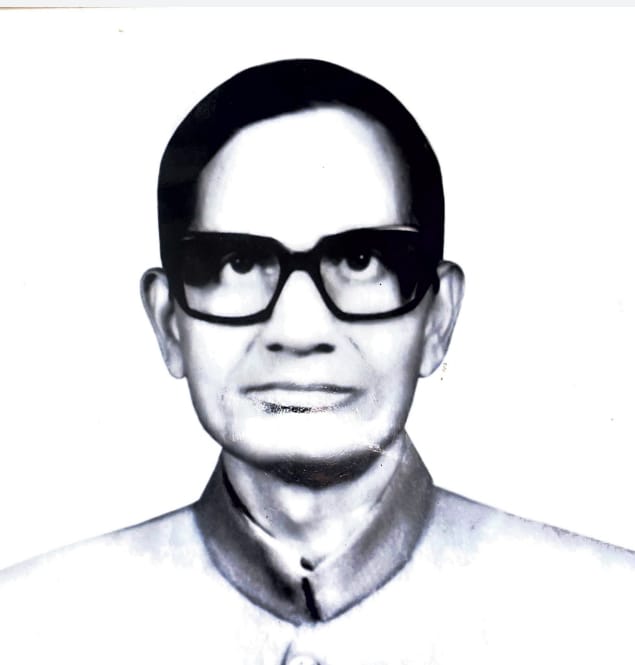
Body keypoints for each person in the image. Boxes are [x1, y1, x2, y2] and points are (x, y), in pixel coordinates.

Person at [1, 59, 633, 665]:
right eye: (238, 264)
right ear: (170, 323)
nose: (300, 332)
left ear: (438, 319)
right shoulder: (25, 628)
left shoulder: (610, 619)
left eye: (361, 261)